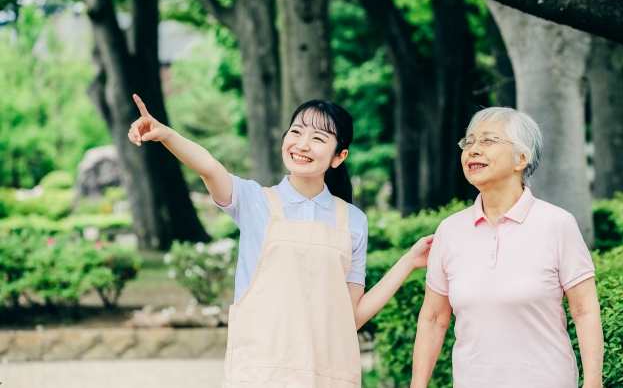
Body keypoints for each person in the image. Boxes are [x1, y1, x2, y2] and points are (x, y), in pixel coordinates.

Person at [128, 95, 433, 388]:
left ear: (339, 157)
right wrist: (166, 135)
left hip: (326, 375)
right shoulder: (253, 200)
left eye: (318, 138)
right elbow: (208, 167)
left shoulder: (353, 221)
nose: (302, 144)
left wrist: (408, 261)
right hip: (261, 372)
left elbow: (349, 317)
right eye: (297, 131)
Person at [411, 107, 604, 388]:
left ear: (521, 159)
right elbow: (434, 317)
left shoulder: (557, 224)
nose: (473, 150)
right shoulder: (449, 230)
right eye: (469, 142)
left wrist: (593, 383)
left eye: (488, 140)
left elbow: (584, 309)